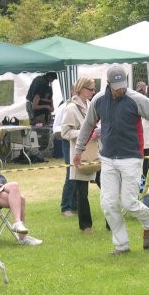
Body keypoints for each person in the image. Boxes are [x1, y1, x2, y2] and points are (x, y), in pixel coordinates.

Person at [73, 65, 149, 255]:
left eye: (123, 85)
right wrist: (79, 150)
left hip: (131, 158)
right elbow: (88, 125)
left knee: (129, 203)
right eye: (116, 86)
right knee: (108, 203)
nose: (120, 89)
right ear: (108, 83)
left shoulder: (136, 99)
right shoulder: (98, 100)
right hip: (108, 158)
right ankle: (121, 245)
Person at [61, 77, 99, 233]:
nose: (93, 92)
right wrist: (86, 133)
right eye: (91, 89)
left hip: (95, 152)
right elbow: (65, 132)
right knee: (82, 191)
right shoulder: (71, 108)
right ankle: (86, 226)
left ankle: (112, 222)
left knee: (105, 184)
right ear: (82, 89)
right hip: (80, 154)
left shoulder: (91, 105)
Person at [54, 84, 77, 216]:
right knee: (70, 174)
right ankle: (65, 207)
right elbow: (56, 128)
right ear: (72, 91)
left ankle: (75, 205)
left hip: (81, 142)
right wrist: (69, 132)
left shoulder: (86, 105)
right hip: (67, 143)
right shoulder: (64, 107)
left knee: (79, 174)